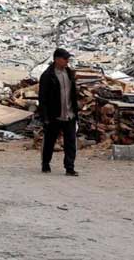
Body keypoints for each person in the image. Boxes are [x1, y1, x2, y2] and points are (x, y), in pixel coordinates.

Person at [39, 48, 79, 176]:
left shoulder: (69, 73)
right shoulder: (48, 76)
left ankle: (69, 167)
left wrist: (75, 112)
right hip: (54, 115)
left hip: (69, 114)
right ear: (56, 59)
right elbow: (42, 98)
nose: (67, 61)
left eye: (68, 59)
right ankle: (46, 163)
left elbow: (73, 94)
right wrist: (45, 117)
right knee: (50, 142)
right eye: (65, 58)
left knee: (70, 143)